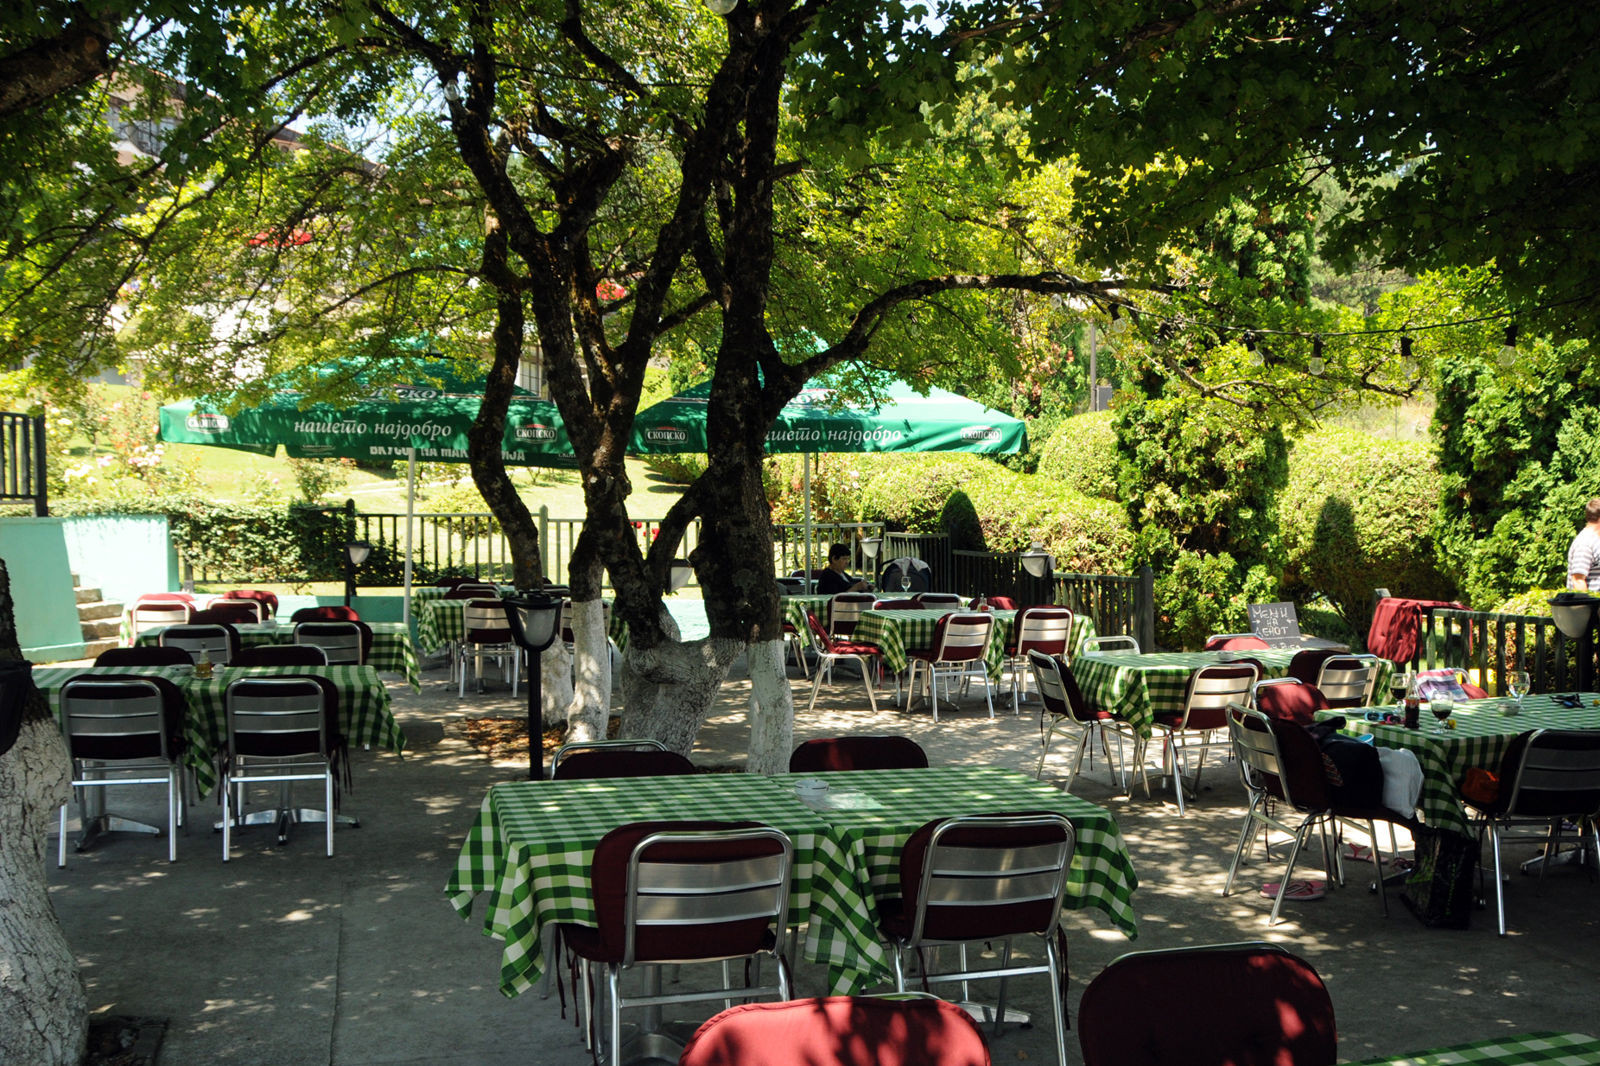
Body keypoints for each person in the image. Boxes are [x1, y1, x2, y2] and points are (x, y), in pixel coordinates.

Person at [1568, 498, 1600, 591]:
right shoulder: (1585, 543)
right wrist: (1588, 600)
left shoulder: (1595, 539)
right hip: (1592, 600)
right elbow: (1578, 580)